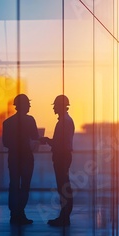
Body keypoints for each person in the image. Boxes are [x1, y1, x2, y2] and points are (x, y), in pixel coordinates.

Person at [2, 94, 40, 225]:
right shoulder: (30, 120)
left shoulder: (7, 122)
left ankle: (14, 213)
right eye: (28, 104)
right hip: (26, 157)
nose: (29, 106)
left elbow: (5, 143)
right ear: (23, 105)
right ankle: (20, 212)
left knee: (13, 185)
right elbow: (35, 136)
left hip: (13, 158)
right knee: (24, 186)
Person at [41, 95, 75, 227]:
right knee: (64, 186)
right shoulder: (66, 120)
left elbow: (59, 143)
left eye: (55, 105)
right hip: (64, 156)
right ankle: (64, 215)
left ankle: (64, 216)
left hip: (62, 156)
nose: (54, 108)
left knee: (63, 186)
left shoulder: (63, 122)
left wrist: (47, 140)